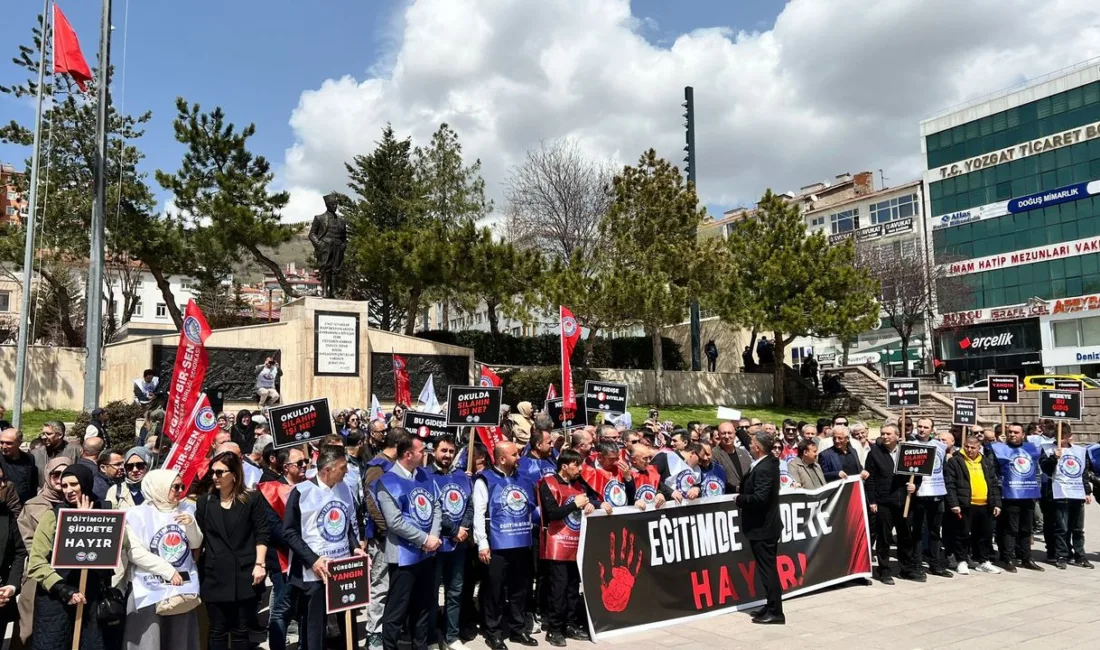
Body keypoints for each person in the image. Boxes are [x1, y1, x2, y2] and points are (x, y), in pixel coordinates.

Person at [26, 464, 119, 650]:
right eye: (64, 486)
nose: (68, 490)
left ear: (85, 483)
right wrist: (63, 589)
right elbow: (36, 562)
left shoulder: (106, 509)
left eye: (73, 484)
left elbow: (121, 543)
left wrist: (89, 520)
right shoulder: (52, 516)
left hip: (92, 598)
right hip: (57, 598)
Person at [283, 446, 363, 650]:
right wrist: (313, 559)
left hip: (343, 568)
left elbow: (347, 527)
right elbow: (290, 532)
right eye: (343, 467)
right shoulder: (301, 492)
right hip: (314, 571)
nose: (347, 471)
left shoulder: (344, 488)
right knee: (315, 626)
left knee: (347, 621)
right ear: (327, 469)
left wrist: (355, 548)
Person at [120, 469, 203, 650]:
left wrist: (191, 525)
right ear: (159, 487)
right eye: (175, 487)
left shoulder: (187, 509)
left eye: (182, 486)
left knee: (179, 635)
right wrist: (167, 571)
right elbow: (135, 552)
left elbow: (195, 543)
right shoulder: (136, 514)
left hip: (181, 586)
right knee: (148, 637)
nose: (180, 491)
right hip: (148, 585)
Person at [196, 452, 270, 650]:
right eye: (212, 472)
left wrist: (260, 564)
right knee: (217, 630)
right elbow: (200, 537)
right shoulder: (205, 502)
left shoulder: (252, 499)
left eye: (220, 472)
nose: (214, 477)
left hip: (244, 573)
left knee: (240, 630)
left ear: (234, 474)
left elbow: (262, 533)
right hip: (215, 574)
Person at [538, 449, 609, 646]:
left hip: (576, 544)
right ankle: (554, 629)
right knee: (558, 589)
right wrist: (574, 505)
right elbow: (552, 513)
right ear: (564, 466)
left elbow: (591, 498)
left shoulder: (579, 484)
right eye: (576, 465)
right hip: (557, 545)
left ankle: (569, 624)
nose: (580, 469)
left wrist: (595, 504)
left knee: (572, 588)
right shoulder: (548, 483)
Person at [376, 434, 440, 650]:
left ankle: (419, 646)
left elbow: (436, 505)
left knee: (423, 606)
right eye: (421, 451)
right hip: (403, 556)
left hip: (427, 554)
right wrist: (424, 539)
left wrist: (433, 536)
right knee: (397, 609)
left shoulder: (423, 475)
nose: (425, 454)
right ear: (408, 454)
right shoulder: (387, 481)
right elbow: (394, 522)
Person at [474, 441, 538, 649]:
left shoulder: (523, 478)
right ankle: (493, 631)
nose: (518, 457)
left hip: (520, 542)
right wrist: (482, 543)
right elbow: (479, 513)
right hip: (497, 545)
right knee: (494, 589)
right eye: (514, 454)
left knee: (521, 588)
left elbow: (532, 507)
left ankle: (518, 628)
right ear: (502, 459)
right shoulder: (485, 480)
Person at [14, 457, 70, 647]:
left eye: (66, 474)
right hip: (38, 574)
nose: (60, 479)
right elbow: (26, 541)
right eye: (56, 474)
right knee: (29, 630)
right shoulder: (32, 505)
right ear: (48, 475)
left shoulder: (82, 502)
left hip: (70, 575)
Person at [425, 435, 473, 650]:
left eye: (451, 451)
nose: (447, 455)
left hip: (459, 545)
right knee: (432, 593)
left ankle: (452, 637)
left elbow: (470, 505)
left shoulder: (462, 476)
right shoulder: (425, 476)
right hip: (435, 545)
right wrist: (453, 529)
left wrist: (463, 528)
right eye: (443, 450)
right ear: (434, 451)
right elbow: (428, 509)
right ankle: (432, 637)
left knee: (455, 591)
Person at [258, 446, 306, 650]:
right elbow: (274, 528)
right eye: (300, 463)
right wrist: (301, 546)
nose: (305, 466)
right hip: (284, 558)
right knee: (282, 608)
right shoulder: (270, 490)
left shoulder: (310, 487)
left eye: (306, 462)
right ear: (286, 467)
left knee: (306, 608)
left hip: (309, 558)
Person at [736, 430, 784, 625]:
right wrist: (740, 427)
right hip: (763, 527)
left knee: (768, 571)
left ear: (758, 448)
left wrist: (740, 499)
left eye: (752, 443)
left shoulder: (764, 468)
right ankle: (770, 604)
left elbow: (760, 498)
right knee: (767, 569)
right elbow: (756, 440)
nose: (749, 445)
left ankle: (776, 611)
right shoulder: (769, 461)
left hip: (763, 528)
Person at [864, 423, 921, 584]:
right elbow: (871, 478)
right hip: (883, 501)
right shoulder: (875, 453)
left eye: (889, 433)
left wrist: (915, 485)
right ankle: (884, 570)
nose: (885, 436)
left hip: (905, 501)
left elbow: (918, 473)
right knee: (884, 537)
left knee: (905, 536)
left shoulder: (907, 452)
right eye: (883, 433)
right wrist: (872, 501)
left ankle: (906, 569)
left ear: (897, 435)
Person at [944, 434, 1002, 575]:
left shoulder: (986, 461)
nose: (970, 450)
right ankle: (962, 561)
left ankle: (983, 561)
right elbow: (950, 484)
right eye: (967, 447)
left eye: (973, 447)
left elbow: (993, 484)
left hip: (985, 504)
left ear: (979, 447)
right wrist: (954, 503)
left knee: (985, 535)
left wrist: (996, 503)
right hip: (965, 504)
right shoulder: (955, 461)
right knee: (962, 534)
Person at [990, 422, 1043, 572]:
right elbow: (993, 472)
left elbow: (1038, 469)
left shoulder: (1031, 449)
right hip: (1009, 495)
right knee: (1010, 529)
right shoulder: (999, 449)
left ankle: (1026, 557)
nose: (1012, 435)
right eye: (1010, 432)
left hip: (1028, 495)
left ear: (1023, 435)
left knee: (1027, 529)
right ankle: (1008, 558)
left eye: (1016, 432)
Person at [1039, 423, 1091, 569]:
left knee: (1078, 528)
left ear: (1069, 437)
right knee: (1061, 527)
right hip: (1059, 492)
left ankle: (1080, 555)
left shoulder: (1080, 451)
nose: (1060, 440)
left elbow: (1084, 472)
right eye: (1058, 437)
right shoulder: (1048, 449)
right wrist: (1053, 458)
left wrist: (1087, 492)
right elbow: (1046, 469)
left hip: (1077, 492)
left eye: (1063, 437)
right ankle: (1061, 555)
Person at [910, 418, 951, 579]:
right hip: (919, 495)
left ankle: (935, 564)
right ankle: (917, 563)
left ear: (932, 429)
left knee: (935, 531)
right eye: (919, 426)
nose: (922, 429)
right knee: (918, 532)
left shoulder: (940, 446)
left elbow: (944, 469)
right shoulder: (910, 445)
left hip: (937, 492)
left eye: (925, 427)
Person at [30, 421, 80, 488]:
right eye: (43, 434)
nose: (43, 437)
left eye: (48, 434)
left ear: (60, 435)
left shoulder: (75, 451)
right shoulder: (35, 454)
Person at [710, 421, 751, 493]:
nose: (726, 436)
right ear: (719, 435)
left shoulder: (744, 453)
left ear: (735, 434)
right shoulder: (714, 454)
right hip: (727, 498)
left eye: (729, 433)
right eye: (723, 433)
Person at [1, 428, 38, 504]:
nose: (4, 446)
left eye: (9, 443)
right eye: (1, 442)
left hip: (26, 504)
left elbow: (33, 482)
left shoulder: (29, 459)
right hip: (6, 507)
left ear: (19, 443)